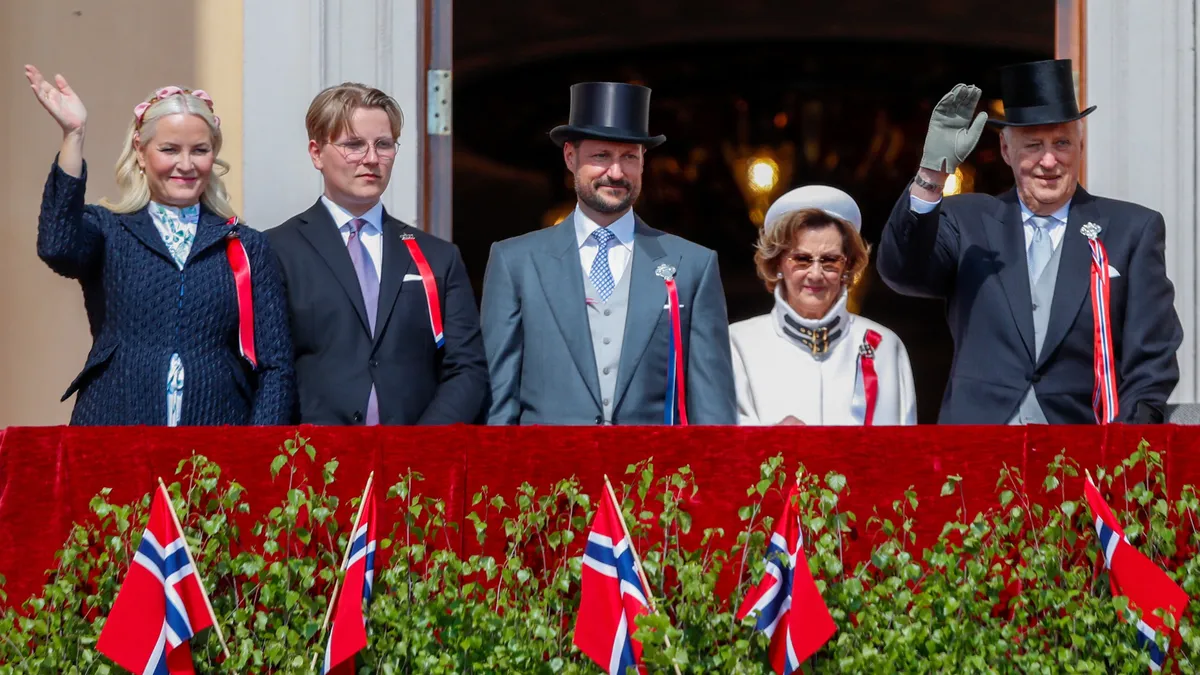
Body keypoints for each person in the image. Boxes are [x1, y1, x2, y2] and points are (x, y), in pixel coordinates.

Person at [877, 59, 1183, 424]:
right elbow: (901, 271)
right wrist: (931, 173)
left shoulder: (1133, 229)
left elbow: (1152, 360)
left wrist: (1124, 456)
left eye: (1062, 143)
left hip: (1083, 456)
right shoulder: (966, 220)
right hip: (976, 453)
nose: (1049, 160)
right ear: (1007, 151)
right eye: (1034, 145)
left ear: (1081, 146)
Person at [27, 65, 295, 426]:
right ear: (140, 151)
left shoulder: (246, 245)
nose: (185, 165)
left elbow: (275, 365)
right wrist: (74, 135)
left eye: (199, 150)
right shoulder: (109, 229)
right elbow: (57, 246)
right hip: (113, 428)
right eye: (169, 149)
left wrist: (256, 453)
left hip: (217, 438)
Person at [480, 81, 736, 425]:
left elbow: (713, 410)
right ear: (570, 156)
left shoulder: (693, 265)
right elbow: (498, 401)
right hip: (547, 473)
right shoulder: (515, 262)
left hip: (654, 475)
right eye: (601, 156)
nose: (616, 172)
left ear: (644, 162)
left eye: (628, 157)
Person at [269, 82, 488, 425]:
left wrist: (420, 447)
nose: (371, 159)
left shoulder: (437, 256)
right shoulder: (275, 250)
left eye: (383, 145)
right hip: (312, 460)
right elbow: (269, 368)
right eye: (353, 145)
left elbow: (467, 368)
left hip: (414, 464)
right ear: (316, 153)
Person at [730, 186, 916, 426]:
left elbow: (906, 453)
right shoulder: (737, 344)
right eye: (802, 259)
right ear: (777, 263)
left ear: (847, 267)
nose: (815, 274)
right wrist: (768, 441)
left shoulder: (885, 346)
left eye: (830, 260)